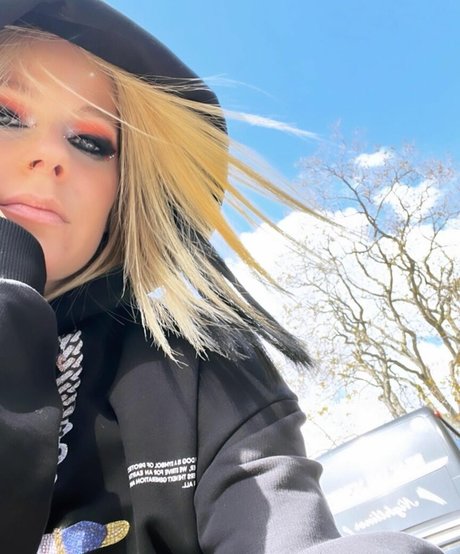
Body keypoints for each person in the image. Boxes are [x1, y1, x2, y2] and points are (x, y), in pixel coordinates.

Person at [0, 1, 443, 553]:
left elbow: (277, 525)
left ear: (122, 193)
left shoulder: (200, 366)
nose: (49, 154)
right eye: (6, 115)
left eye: (91, 142)